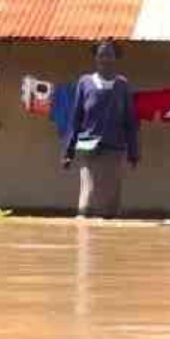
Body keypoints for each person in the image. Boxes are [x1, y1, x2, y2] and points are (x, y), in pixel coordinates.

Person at [63, 39, 140, 218]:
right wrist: (68, 152)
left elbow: (130, 121)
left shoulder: (123, 85)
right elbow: (76, 119)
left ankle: (109, 240)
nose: (105, 58)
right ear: (96, 58)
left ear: (116, 58)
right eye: (102, 54)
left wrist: (133, 153)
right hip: (89, 148)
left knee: (111, 201)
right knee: (87, 198)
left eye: (110, 54)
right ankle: (84, 239)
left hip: (115, 149)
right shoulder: (85, 83)